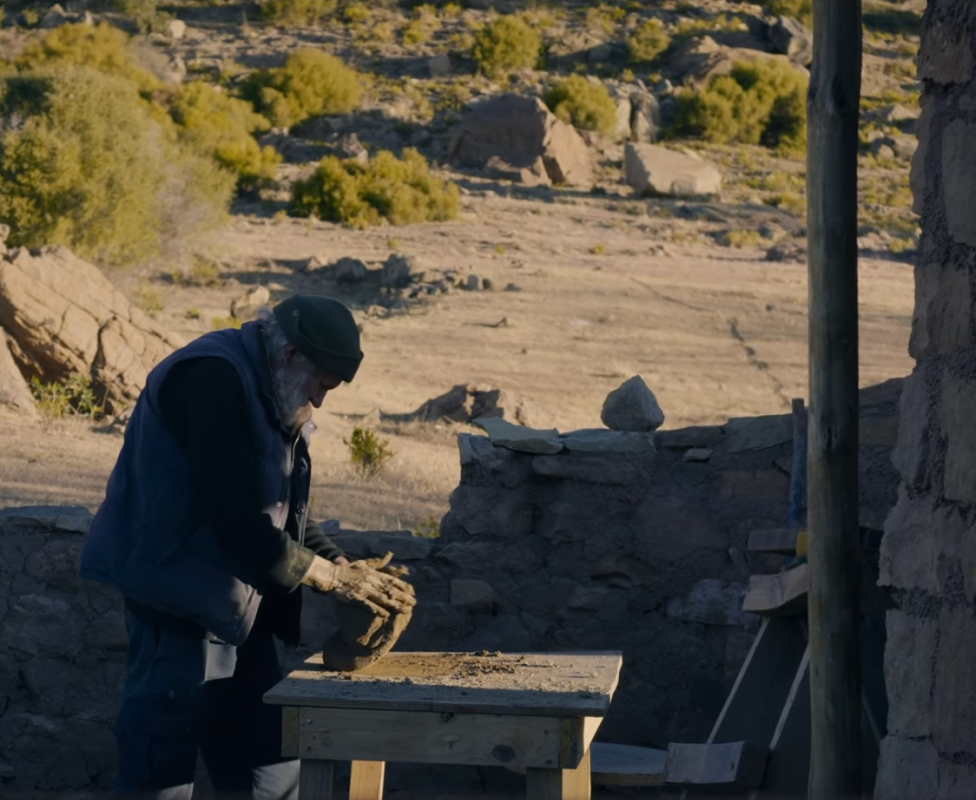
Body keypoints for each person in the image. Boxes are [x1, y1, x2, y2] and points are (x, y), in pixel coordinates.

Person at [78, 293, 416, 800]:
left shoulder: (274, 386)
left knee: (271, 772)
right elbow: (233, 519)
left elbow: (278, 510)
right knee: (160, 774)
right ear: (291, 354)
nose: (321, 400)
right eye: (322, 384)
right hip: (175, 607)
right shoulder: (210, 378)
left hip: (240, 610)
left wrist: (340, 562)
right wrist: (331, 579)